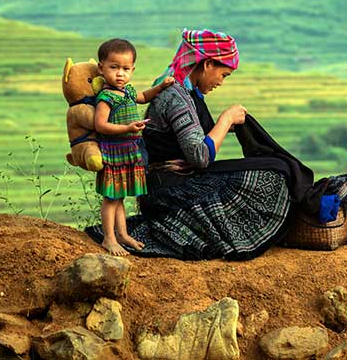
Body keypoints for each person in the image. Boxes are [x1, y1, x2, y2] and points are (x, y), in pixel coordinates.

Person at [123, 28, 295, 260]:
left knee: (276, 168)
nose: (221, 82)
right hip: (169, 190)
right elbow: (200, 156)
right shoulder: (175, 96)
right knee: (272, 175)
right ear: (207, 65)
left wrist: (234, 125)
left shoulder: (188, 92)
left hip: (181, 181)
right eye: (223, 75)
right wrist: (225, 120)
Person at [93, 38, 174, 256]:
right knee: (111, 197)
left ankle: (122, 234)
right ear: (102, 68)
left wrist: (161, 86)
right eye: (114, 67)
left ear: (133, 69)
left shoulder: (128, 91)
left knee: (119, 196)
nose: (120, 74)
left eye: (125, 69)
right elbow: (100, 125)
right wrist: (127, 128)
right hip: (114, 152)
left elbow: (144, 96)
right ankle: (108, 238)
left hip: (129, 151)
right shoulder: (106, 97)